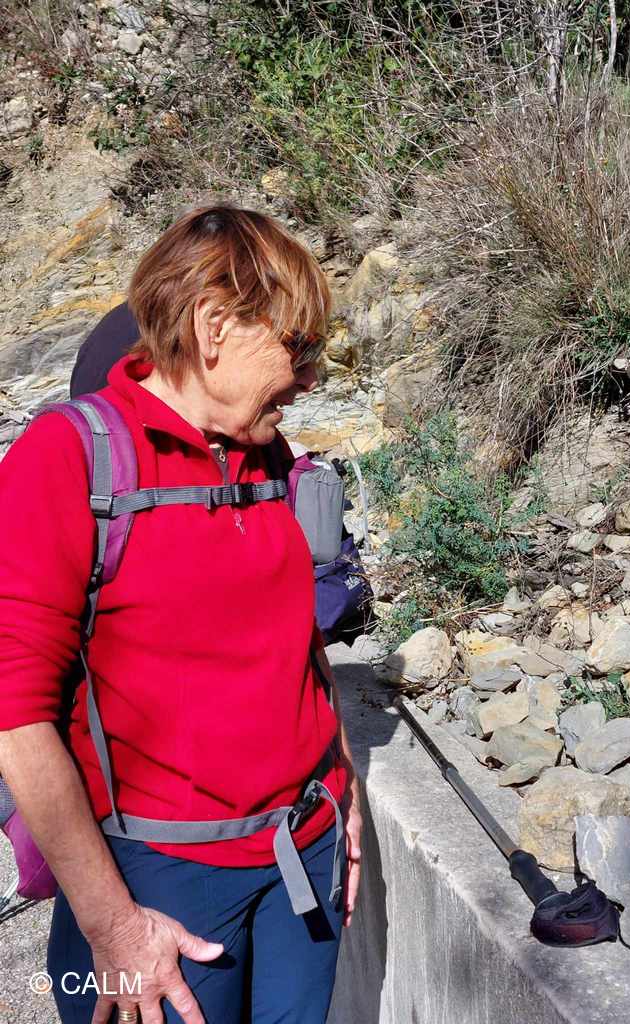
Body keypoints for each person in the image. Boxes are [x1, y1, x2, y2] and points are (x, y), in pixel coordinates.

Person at [0, 205, 362, 1024]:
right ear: (214, 325)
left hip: (303, 856)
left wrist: (345, 796)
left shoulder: (267, 457)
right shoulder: (67, 457)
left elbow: (298, 646)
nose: (310, 378)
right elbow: (16, 716)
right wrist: (113, 927)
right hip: (160, 883)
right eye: (299, 347)